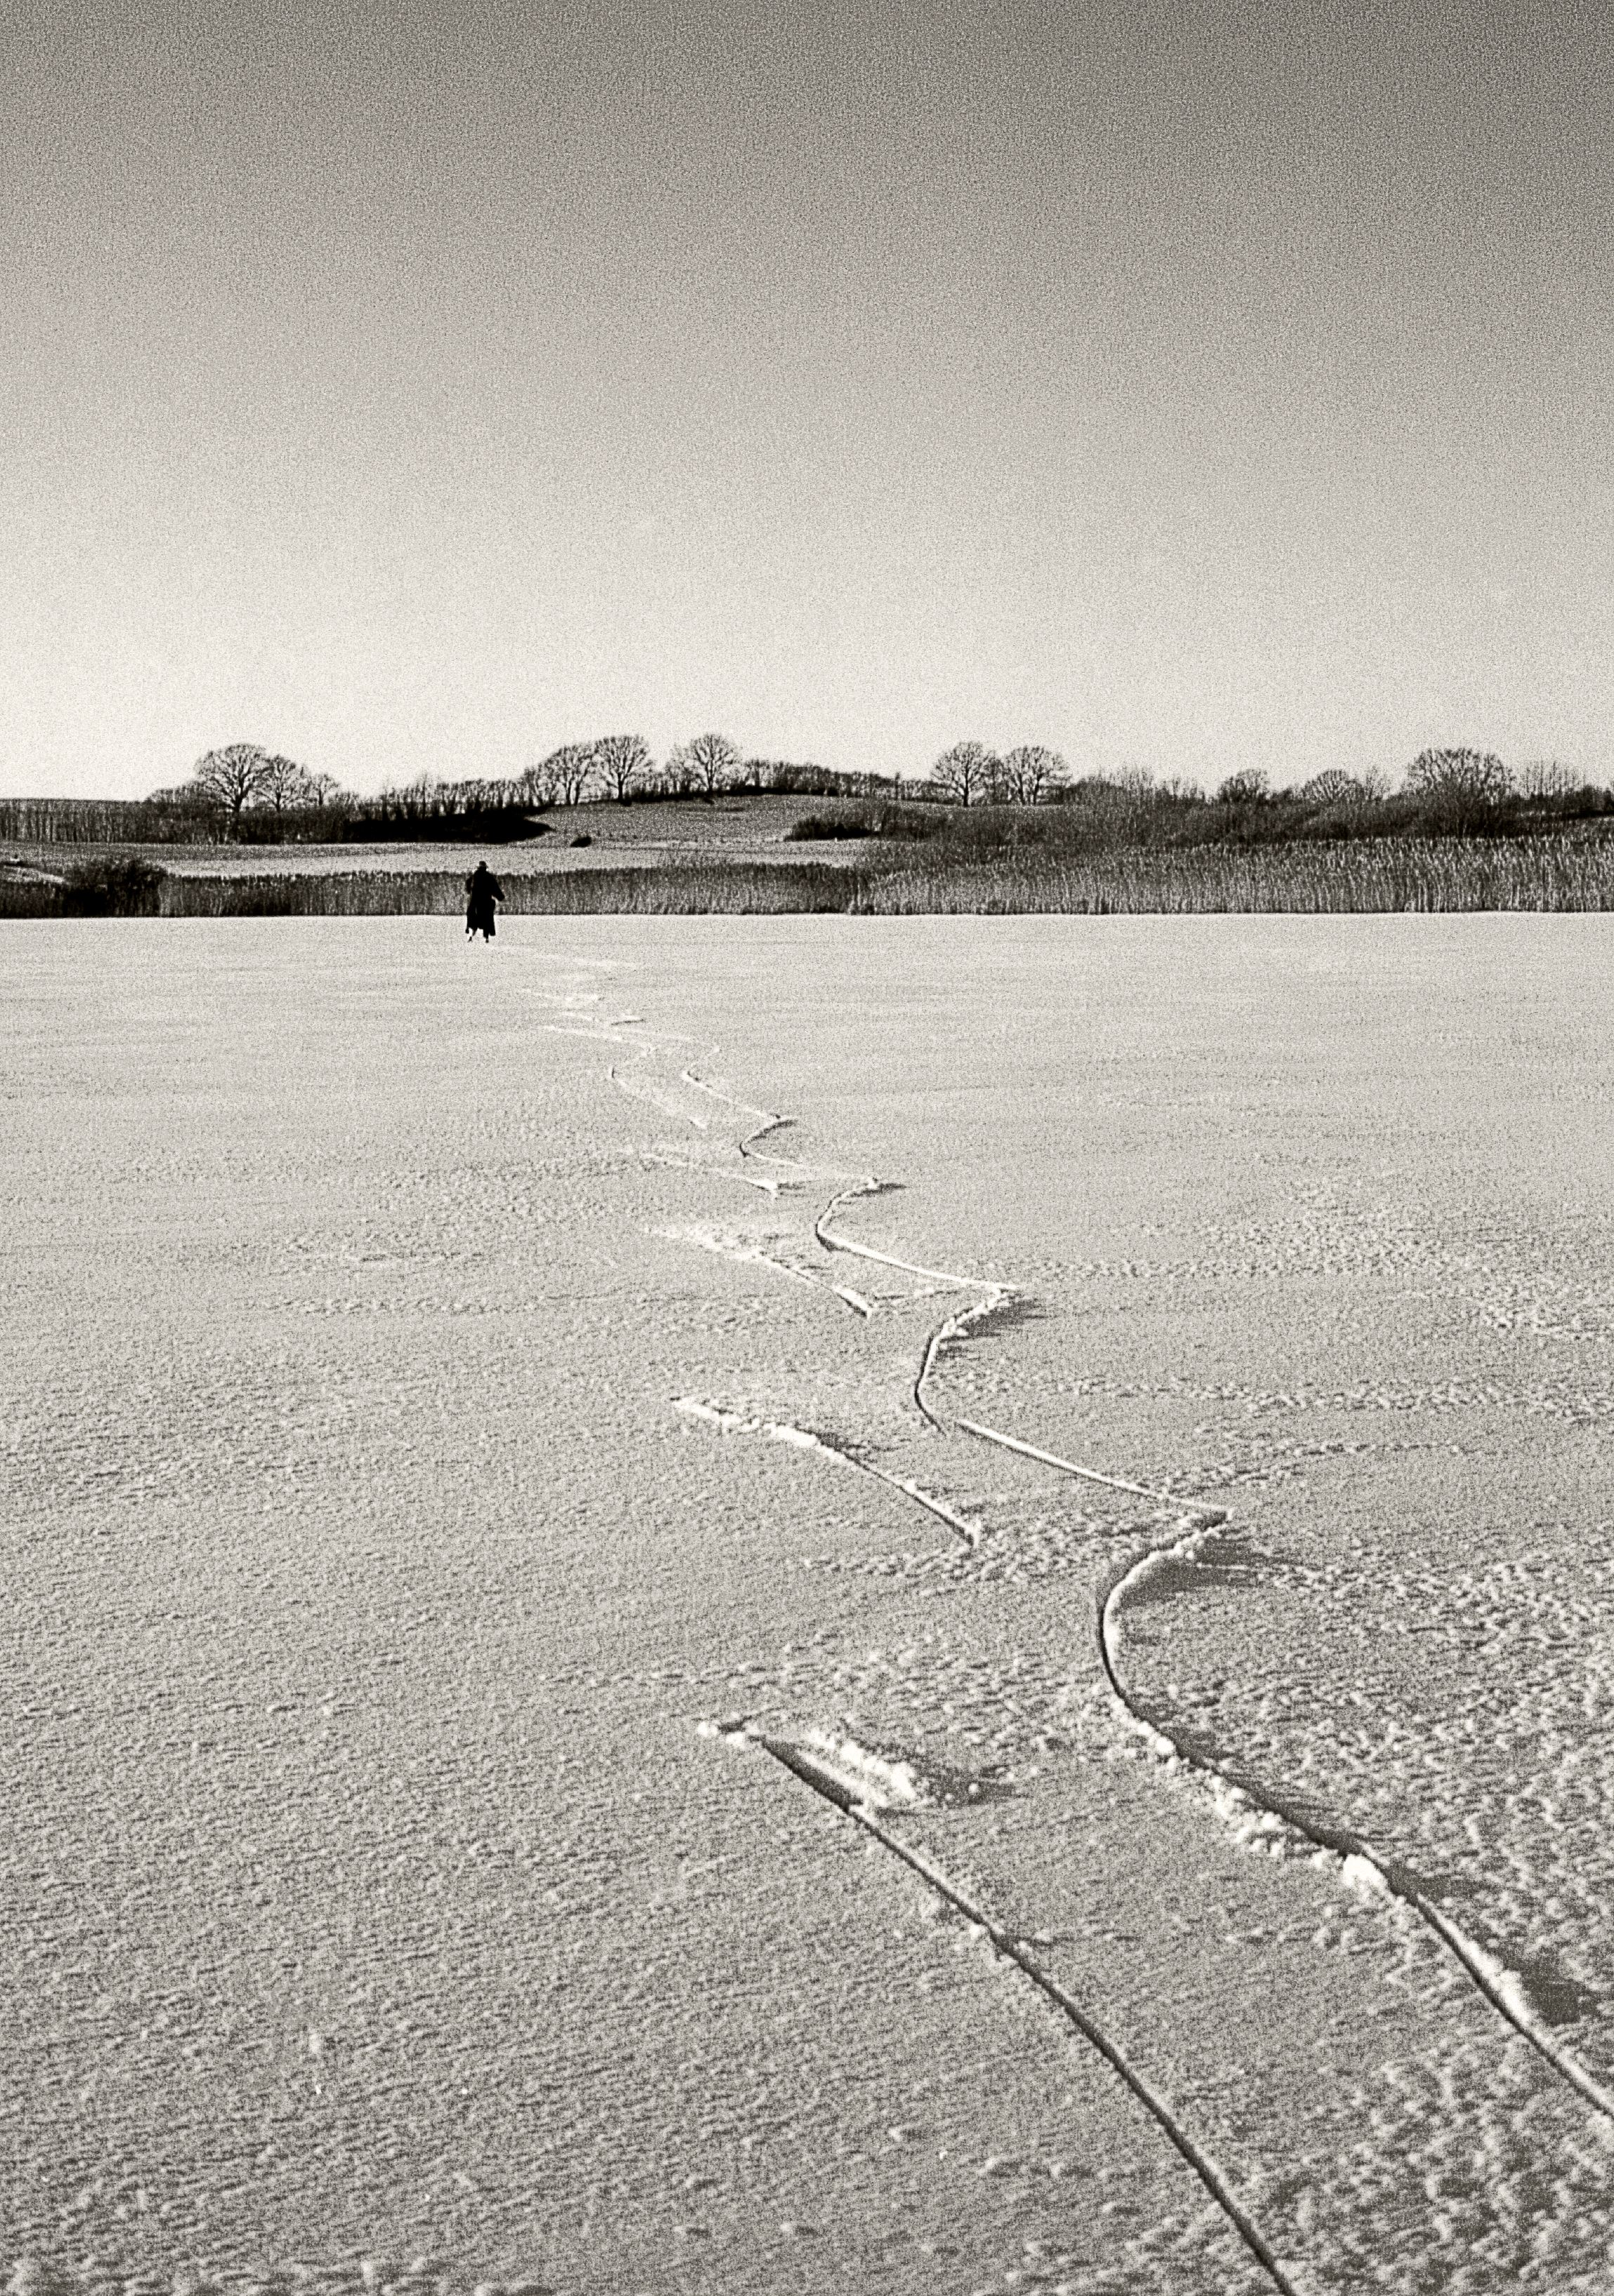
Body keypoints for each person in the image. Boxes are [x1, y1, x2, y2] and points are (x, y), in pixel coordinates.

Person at [464, 860, 505, 942]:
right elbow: (495, 888)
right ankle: (486, 937)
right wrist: (501, 897)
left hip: (475, 903)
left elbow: (468, 886)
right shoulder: (489, 877)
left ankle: (470, 936)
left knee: (473, 921)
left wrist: (470, 892)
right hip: (486, 903)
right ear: (485, 868)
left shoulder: (473, 877)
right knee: (487, 920)